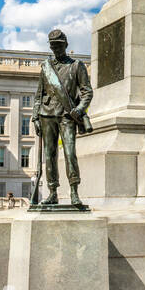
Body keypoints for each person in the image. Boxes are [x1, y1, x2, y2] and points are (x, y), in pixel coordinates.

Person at [33, 28, 93, 207]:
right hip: (46, 114)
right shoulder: (46, 67)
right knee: (49, 155)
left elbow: (87, 92)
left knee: (69, 153)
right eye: (53, 46)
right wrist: (35, 117)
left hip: (67, 116)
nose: (56, 49)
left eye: (59, 45)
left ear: (66, 45)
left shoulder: (76, 66)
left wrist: (80, 109)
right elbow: (39, 95)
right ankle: (52, 192)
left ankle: (74, 191)